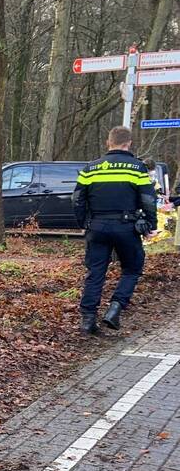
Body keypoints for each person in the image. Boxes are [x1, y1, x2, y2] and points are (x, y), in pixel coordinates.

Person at [72, 126, 157, 334]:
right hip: (126, 227)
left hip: (97, 227)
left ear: (108, 143)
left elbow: (76, 199)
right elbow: (148, 199)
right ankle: (115, 308)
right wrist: (150, 225)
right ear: (128, 144)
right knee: (132, 268)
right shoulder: (137, 168)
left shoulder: (90, 168)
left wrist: (84, 222)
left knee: (95, 272)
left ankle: (88, 319)